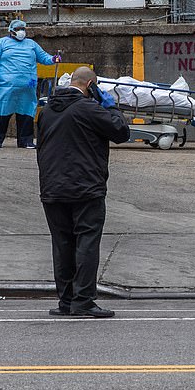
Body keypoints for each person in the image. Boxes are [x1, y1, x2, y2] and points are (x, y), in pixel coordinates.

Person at [36, 66, 130, 318]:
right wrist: (110, 106)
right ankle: (84, 300)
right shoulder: (89, 108)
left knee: (62, 243)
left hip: (52, 188)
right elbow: (121, 132)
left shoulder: (46, 112)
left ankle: (65, 301)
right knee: (86, 242)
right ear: (91, 85)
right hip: (85, 187)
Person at [0, 19, 60, 149]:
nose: (21, 32)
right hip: (5, 86)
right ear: (11, 31)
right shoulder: (1, 43)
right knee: (2, 113)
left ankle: (26, 141)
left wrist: (53, 59)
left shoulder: (31, 44)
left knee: (26, 113)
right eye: (18, 29)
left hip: (27, 87)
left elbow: (44, 57)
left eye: (23, 29)